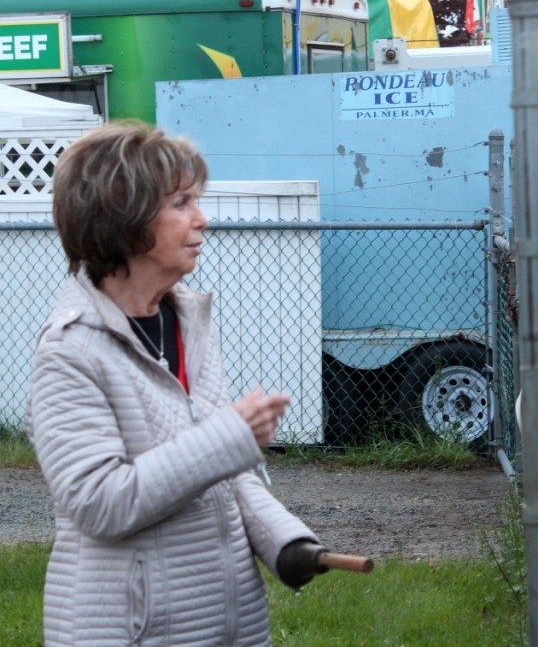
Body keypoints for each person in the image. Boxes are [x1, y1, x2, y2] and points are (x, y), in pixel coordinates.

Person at [28, 121, 331, 645]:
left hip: (225, 625)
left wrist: (286, 542)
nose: (203, 219)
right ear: (124, 217)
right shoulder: (69, 352)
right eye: (182, 203)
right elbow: (102, 502)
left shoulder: (187, 320)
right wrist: (230, 436)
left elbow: (224, 475)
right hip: (131, 631)